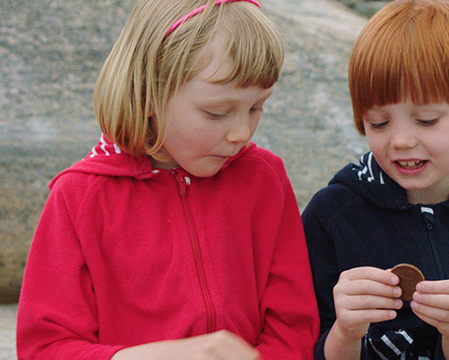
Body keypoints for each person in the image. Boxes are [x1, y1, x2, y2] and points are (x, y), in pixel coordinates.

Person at [16, 1, 319, 359]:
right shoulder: (79, 196)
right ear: (147, 95)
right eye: (217, 112)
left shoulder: (264, 179)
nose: (241, 132)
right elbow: (45, 347)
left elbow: (293, 323)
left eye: (256, 108)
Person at [301, 0, 449, 359]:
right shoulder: (332, 213)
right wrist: (345, 332)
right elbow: (301, 347)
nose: (401, 140)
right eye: (379, 122)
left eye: (425, 120)